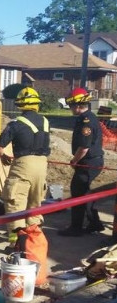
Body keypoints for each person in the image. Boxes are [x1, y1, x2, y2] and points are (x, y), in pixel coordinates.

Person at [0, 87, 50, 247]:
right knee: (35, 204)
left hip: (23, 165)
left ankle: (16, 244)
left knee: (15, 203)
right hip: (42, 165)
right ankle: (33, 241)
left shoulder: (16, 124)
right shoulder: (46, 122)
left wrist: (3, 156)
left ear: (19, 105)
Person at [59, 87, 105, 236]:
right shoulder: (89, 117)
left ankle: (76, 228)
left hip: (88, 162)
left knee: (78, 193)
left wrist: (74, 160)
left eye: (71, 106)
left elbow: (84, 147)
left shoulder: (86, 121)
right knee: (85, 193)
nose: (71, 109)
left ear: (77, 105)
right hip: (93, 161)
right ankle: (95, 223)